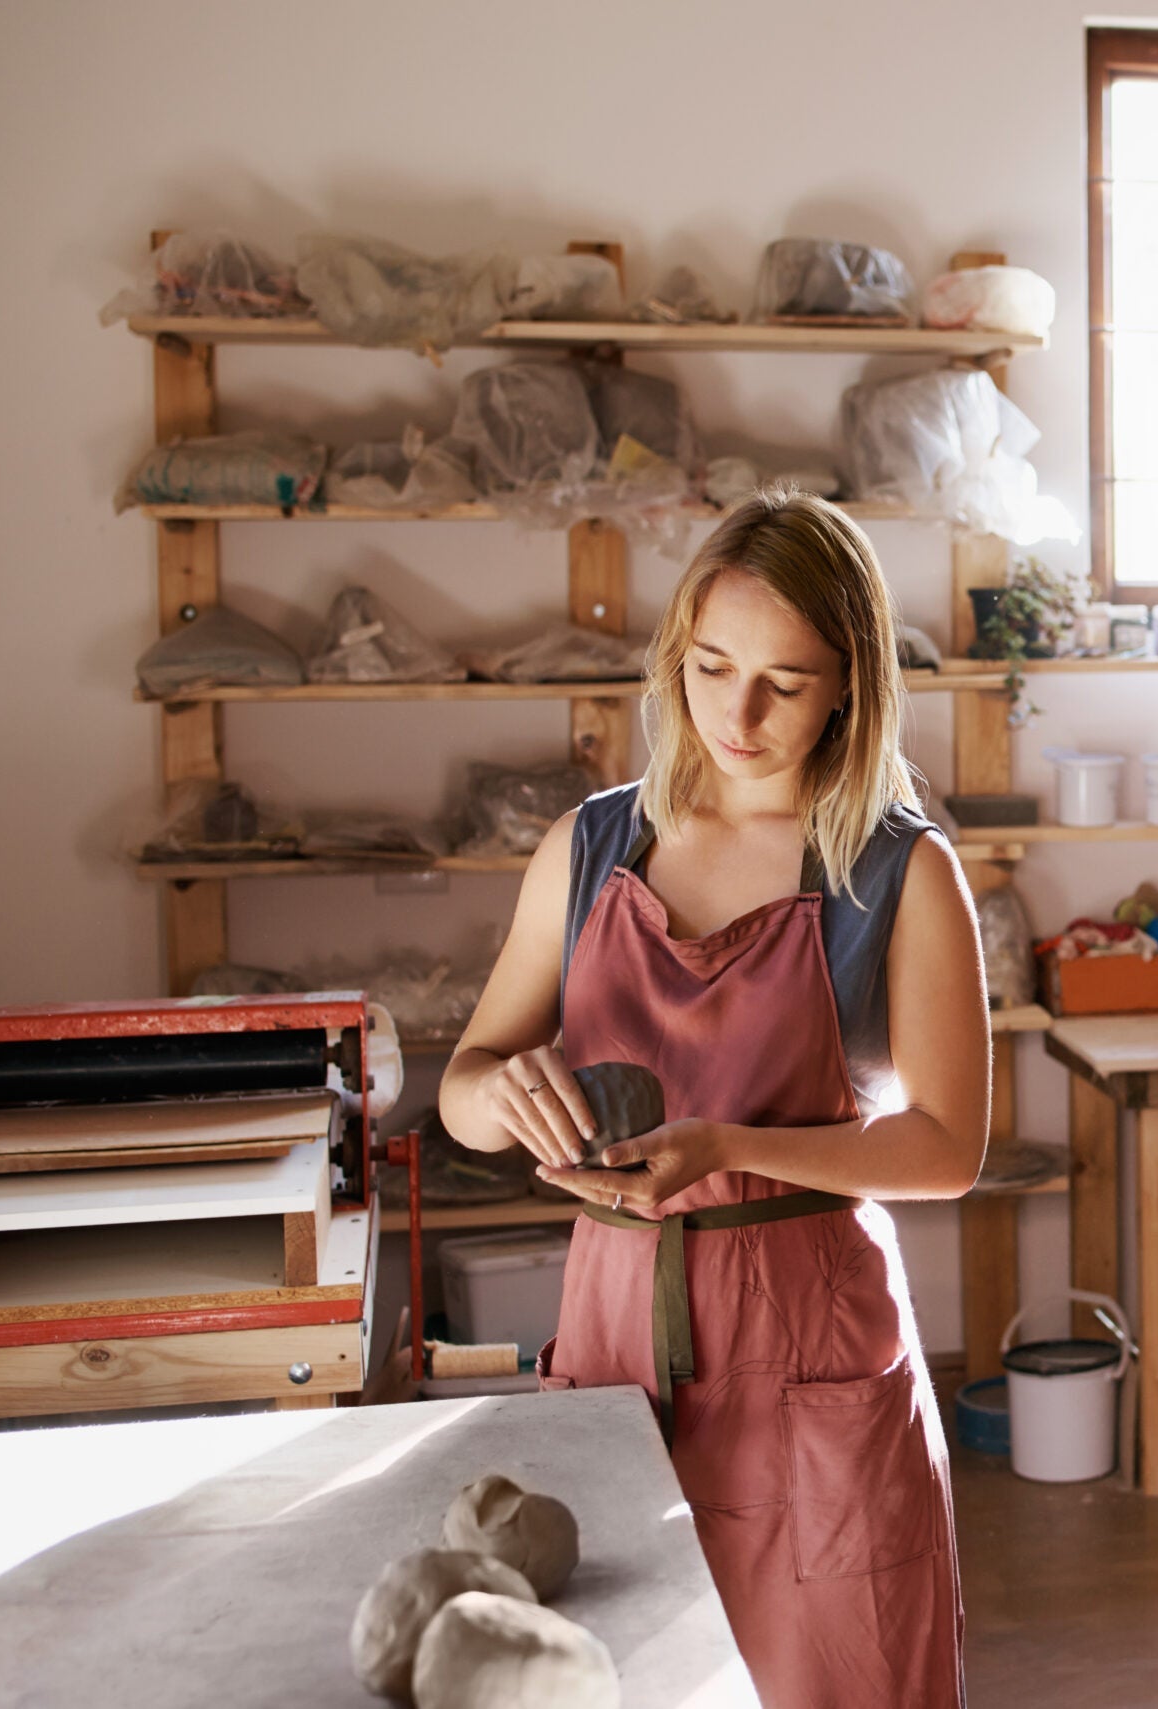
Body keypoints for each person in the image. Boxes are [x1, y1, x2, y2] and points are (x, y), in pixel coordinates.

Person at [441, 491, 987, 1707]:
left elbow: (947, 1147)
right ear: (674, 649)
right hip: (615, 1324)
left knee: (835, 1674)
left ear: (850, 683)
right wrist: (504, 1093)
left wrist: (730, 1146)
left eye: (786, 683)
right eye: (712, 667)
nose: (738, 715)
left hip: (810, 1339)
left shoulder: (896, 869)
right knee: (618, 1669)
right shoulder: (589, 848)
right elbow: (465, 1087)